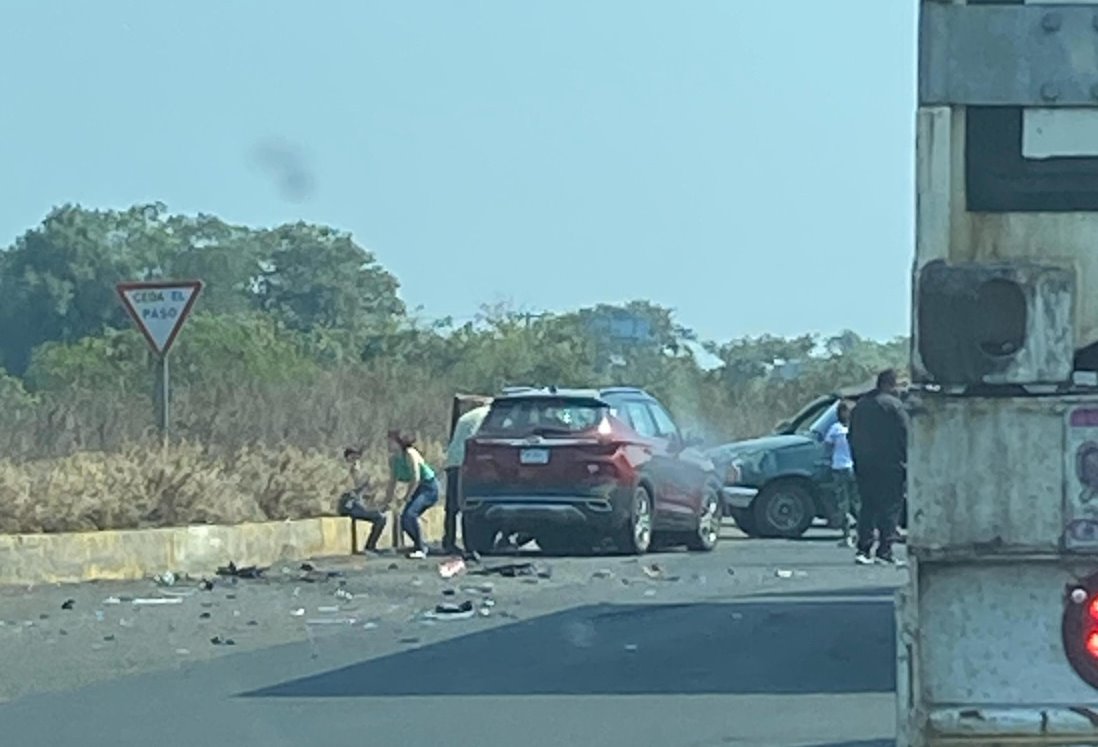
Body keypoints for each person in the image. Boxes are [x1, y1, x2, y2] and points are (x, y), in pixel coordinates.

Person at [849, 368, 910, 566]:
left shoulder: (861, 406)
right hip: (891, 465)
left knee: (868, 507)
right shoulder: (894, 406)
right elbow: (905, 433)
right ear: (890, 384)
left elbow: (851, 436)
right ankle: (885, 549)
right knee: (890, 508)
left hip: (865, 465)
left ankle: (864, 549)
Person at [443, 398, 492, 555]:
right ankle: (469, 544)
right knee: (468, 504)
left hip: (452, 461)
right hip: (468, 462)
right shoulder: (489, 416)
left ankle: (448, 540)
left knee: (451, 507)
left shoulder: (467, 417)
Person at [385, 429, 440, 560]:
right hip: (418, 488)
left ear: (398, 442)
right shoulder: (393, 460)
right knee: (405, 520)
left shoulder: (410, 454)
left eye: (390, 441)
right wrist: (386, 501)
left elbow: (416, 478)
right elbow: (392, 481)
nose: (388, 444)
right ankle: (419, 544)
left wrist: (407, 497)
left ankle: (421, 548)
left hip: (429, 487)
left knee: (411, 514)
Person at [336, 447, 389, 555]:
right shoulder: (345, 473)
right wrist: (363, 484)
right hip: (349, 507)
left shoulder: (355, 472)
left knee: (381, 516)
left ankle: (371, 546)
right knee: (380, 518)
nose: (356, 461)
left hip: (355, 506)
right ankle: (370, 547)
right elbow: (348, 492)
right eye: (353, 458)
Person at [824, 400, 859, 548]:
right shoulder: (857, 429)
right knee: (855, 502)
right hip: (853, 468)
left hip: (840, 468)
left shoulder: (835, 429)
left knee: (842, 503)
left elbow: (827, 445)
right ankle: (859, 533)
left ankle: (848, 536)